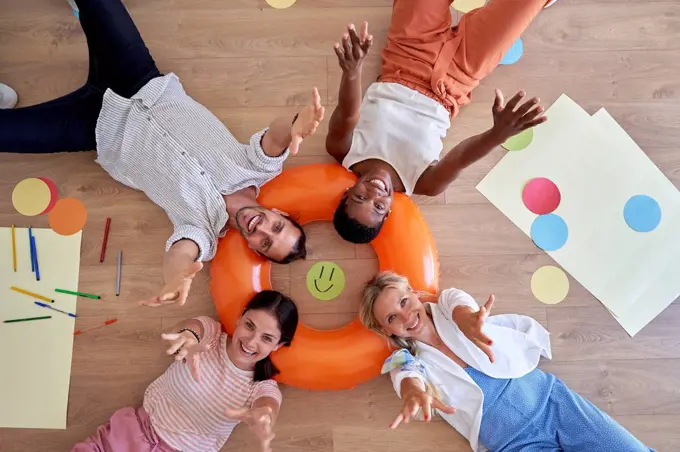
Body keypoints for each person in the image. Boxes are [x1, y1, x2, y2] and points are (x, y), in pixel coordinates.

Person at [0, 0, 325, 307]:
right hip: (139, 78)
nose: (262, 229)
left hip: (99, 129)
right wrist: (295, 125)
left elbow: (181, 253)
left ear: (254, 249)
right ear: (280, 213)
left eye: (265, 242)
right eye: (276, 228)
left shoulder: (203, 231)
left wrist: (176, 276)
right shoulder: (257, 169)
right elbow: (277, 136)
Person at [327, 0, 560, 244]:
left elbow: (347, 113)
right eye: (378, 207)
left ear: (346, 193)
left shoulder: (344, 151)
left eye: (360, 198)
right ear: (388, 212)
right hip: (460, 75)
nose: (374, 193)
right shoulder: (424, 184)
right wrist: (498, 134)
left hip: (407, 51)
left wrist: (352, 71)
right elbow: (459, 158)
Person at [359, 271, 654, 452]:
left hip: (553, 403)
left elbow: (459, 303)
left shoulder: (448, 306)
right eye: (391, 318)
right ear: (386, 330)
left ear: (413, 293)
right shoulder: (405, 359)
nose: (406, 316)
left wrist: (469, 322)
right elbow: (405, 376)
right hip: (515, 444)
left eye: (403, 302)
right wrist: (414, 393)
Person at [72, 290, 299, 452]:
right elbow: (192, 328)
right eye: (250, 325)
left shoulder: (261, 386)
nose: (251, 341)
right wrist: (188, 337)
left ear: (278, 346)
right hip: (135, 431)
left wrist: (261, 417)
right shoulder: (211, 333)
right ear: (240, 317)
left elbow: (267, 405)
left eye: (266, 338)